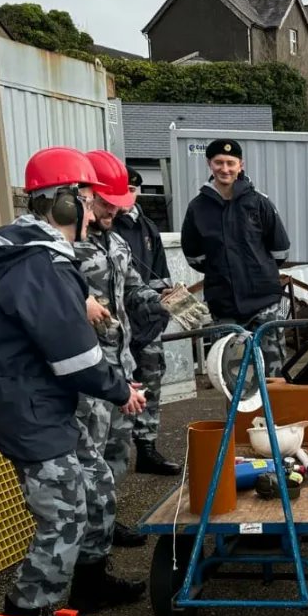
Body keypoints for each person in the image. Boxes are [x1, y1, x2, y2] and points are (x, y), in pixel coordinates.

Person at [0, 146, 147, 616]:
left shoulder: (48, 257)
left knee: (98, 484)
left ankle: (90, 586)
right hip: (24, 405)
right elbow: (77, 357)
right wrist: (121, 390)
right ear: (66, 203)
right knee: (63, 514)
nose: (92, 212)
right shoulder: (40, 265)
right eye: (88, 201)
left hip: (44, 400)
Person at [77, 151, 169, 549]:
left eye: (120, 203)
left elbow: (133, 285)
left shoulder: (115, 241)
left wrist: (159, 301)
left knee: (116, 452)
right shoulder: (65, 246)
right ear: (84, 196)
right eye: (107, 203)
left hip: (120, 364)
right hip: (85, 370)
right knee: (89, 458)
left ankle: (106, 526)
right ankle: (86, 542)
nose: (115, 210)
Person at [182, 139, 292, 376]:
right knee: (232, 378)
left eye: (230, 163)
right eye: (219, 162)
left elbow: (280, 250)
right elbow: (194, 256)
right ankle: (239, 415)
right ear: (209, 164)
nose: (225, 169)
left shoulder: (259, 203)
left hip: (264, 303)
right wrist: (223, 271)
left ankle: (274, 414)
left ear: (240, 165)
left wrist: (257, 271)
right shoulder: (197, 208)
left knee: (273, 376)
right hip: (224, 306)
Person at [113, 166, 181, 476]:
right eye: (123, 188)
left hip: (148, 324)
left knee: (151, 385)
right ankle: (115, 452)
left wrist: (165, 304)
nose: (129, 196)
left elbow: (159, 278)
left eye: (134, 189)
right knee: (120, 389)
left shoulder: (148, 228)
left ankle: (147, 448)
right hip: (116, 327)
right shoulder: (103, 226)